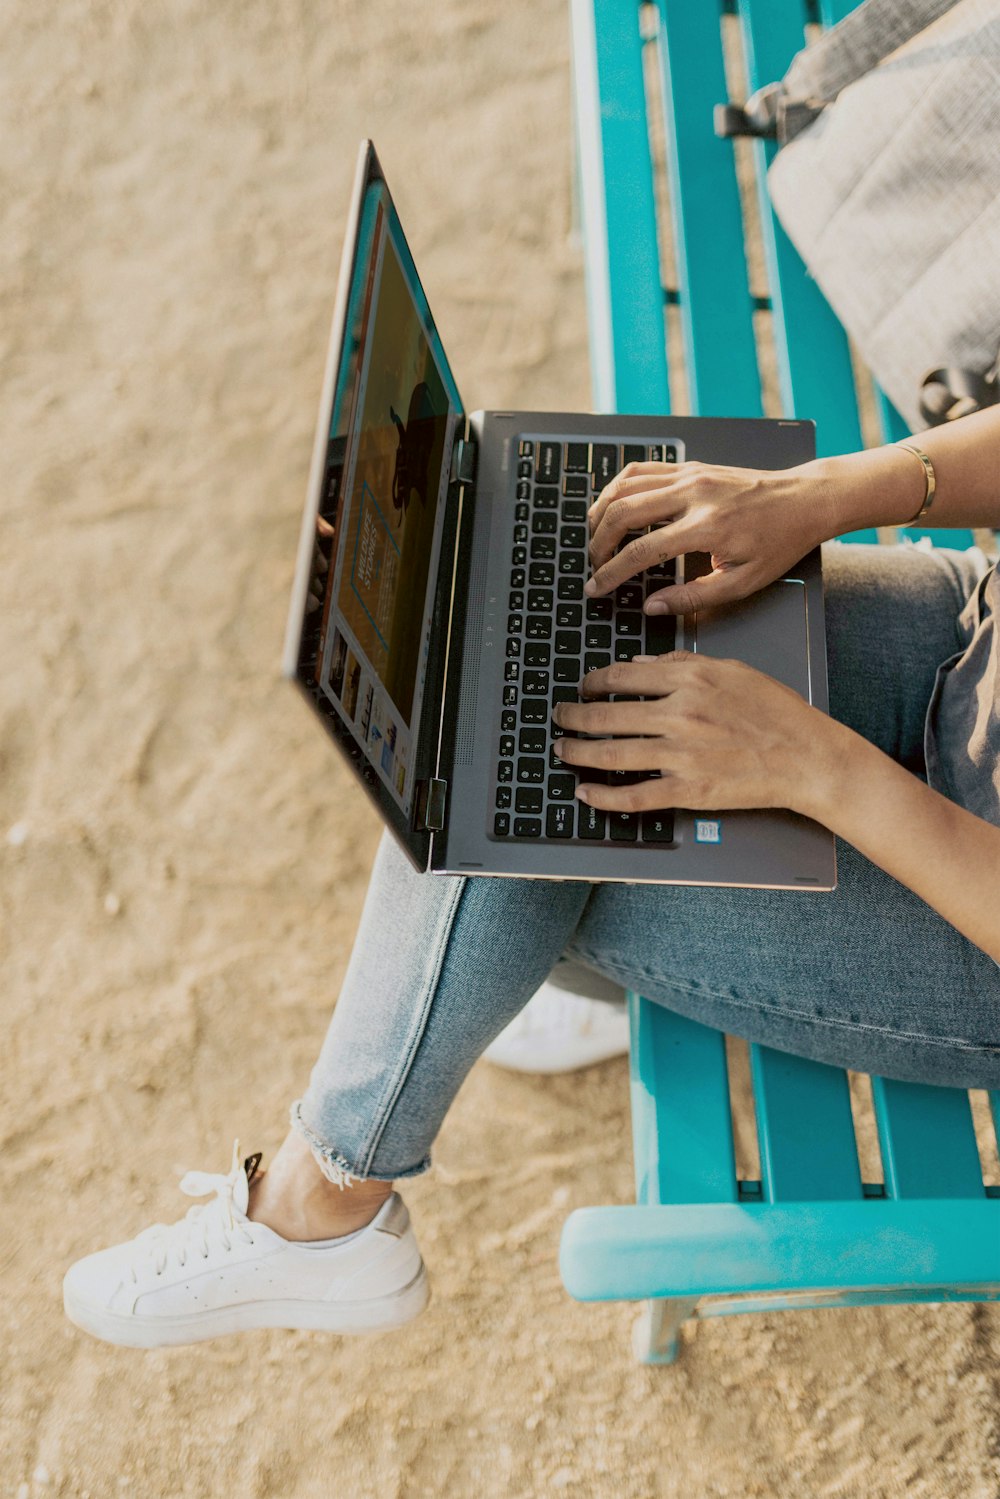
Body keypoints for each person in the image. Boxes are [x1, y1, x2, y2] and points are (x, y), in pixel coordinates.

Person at [63, 409, 1000, 1349]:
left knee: (534, 812)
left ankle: (324, 1204)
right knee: (556, 600)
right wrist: (823, 492)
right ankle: (548, 974)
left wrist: (816, 766)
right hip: (978, 637)